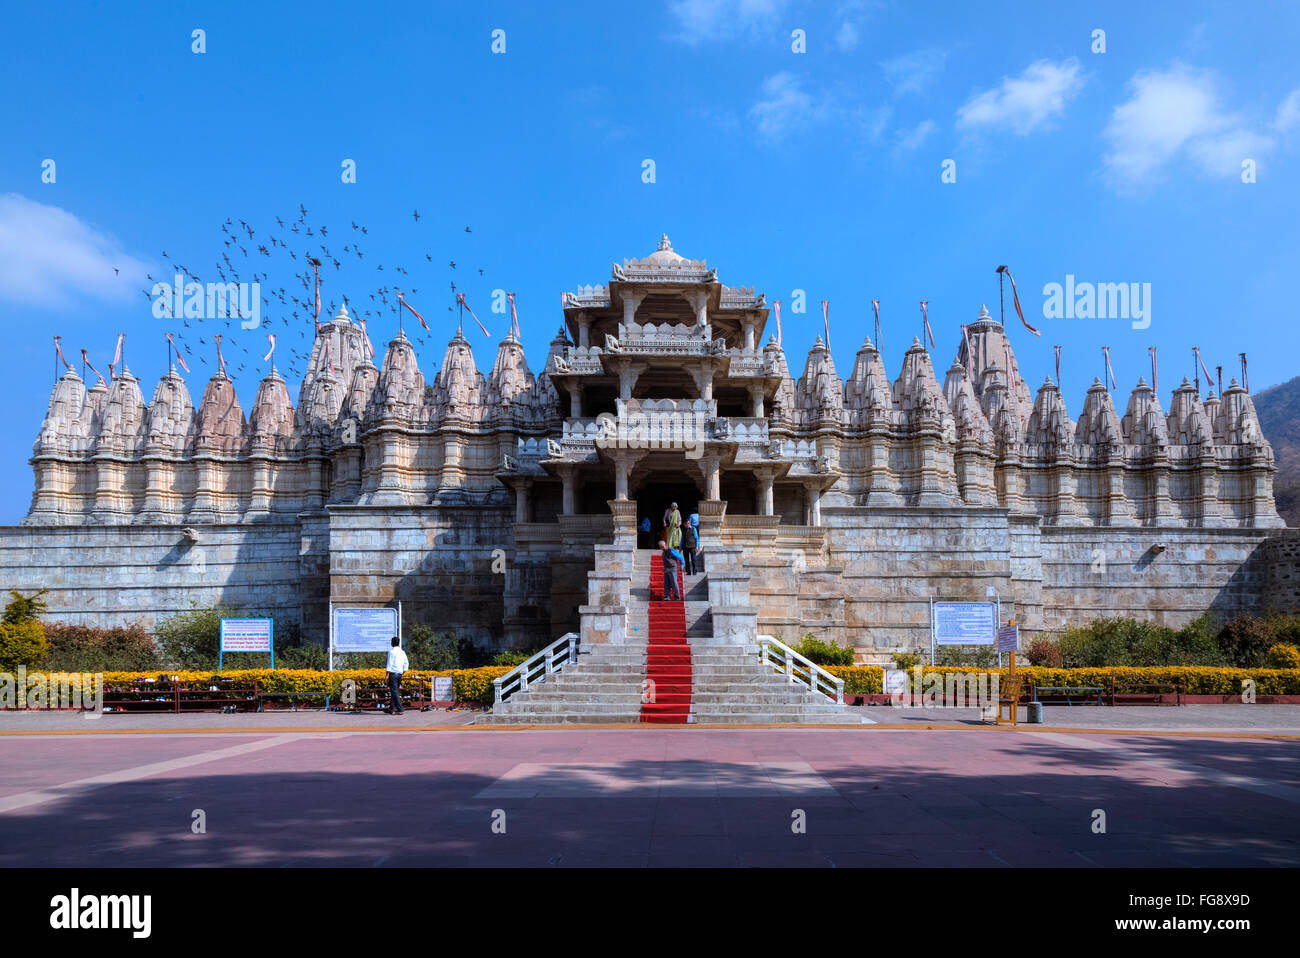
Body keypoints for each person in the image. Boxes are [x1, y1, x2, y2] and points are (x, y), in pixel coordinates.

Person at [386, 636, 409, 714]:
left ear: (392, 643)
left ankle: (400, 709)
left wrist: (386, 676)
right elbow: (406, 663)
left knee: (395, 691)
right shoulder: (402, 652)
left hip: (393, 674)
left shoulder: (391, 652)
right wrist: (402, 672)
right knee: (394, 691)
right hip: (399, 674)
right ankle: (391, 708)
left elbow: (389, 664)